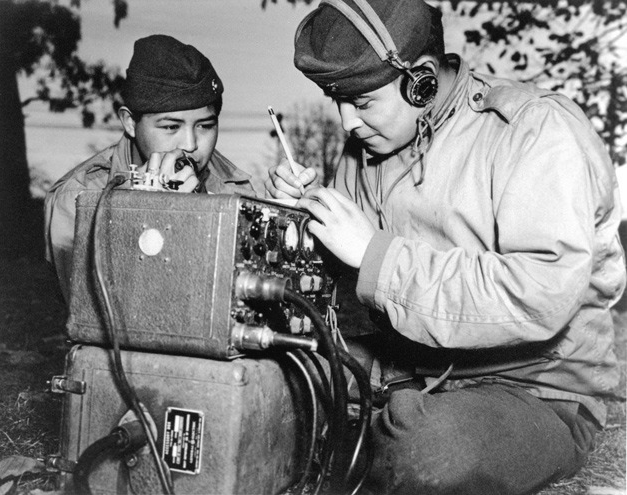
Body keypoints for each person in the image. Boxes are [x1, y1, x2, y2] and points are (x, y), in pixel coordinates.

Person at [265, 0, 626, 493]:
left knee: (426, 454)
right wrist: (306, 219)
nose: (348, 122)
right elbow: (345, 289)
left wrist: (376, 255)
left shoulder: (534, 131)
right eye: (337, 100)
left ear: (422, 81)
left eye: (363, 102)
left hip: (534, 390)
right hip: (405, 373)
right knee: (268, 383)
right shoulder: (364, 151)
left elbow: (540, 294)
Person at [45, 34, 256, 302]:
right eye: (171, 127)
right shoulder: (78, 198)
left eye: (205, 126)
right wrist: (140, 217)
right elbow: (90, 311)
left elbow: (244, 300)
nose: (190, 144)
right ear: (130, 123)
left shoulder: (234, 188)